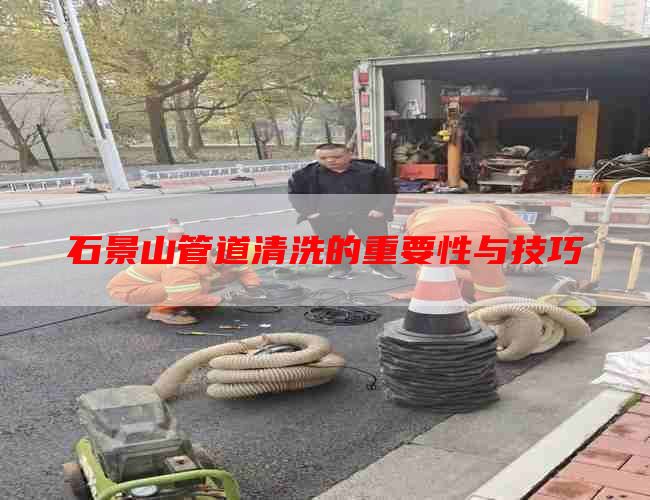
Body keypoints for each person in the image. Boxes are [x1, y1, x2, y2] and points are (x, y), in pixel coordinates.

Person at [288, 143, 403, 280]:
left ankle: (382, 267)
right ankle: (340, 268)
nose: (330, 160)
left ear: (349, 155)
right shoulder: (304, 174)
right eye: (323, 158)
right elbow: (296, 195)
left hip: (367, 213)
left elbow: (388, 190)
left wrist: (381, 209)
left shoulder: (372, 170)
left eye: (337, 157)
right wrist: (309, 212)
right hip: (326, 215)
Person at [405, 204, 534, 301]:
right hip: (482, 236)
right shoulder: (501, 211)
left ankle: (436, 294)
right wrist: (522, 255)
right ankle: (489, 310)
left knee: (430, 272)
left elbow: (410, 234)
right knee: (490, 285)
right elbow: (525, 233)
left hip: (425, 233)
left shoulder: (423, 212)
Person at [106, 249, 265, 325]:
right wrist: (222, 299)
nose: (237, 265)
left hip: (161, 282)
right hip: (130, 289)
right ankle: (160, 311)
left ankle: (192, 298)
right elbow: (184, 297)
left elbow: (244, 270)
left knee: (207, 283)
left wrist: (253, 287)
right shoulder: (185, 266)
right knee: (198, 286)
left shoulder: (228, 256)